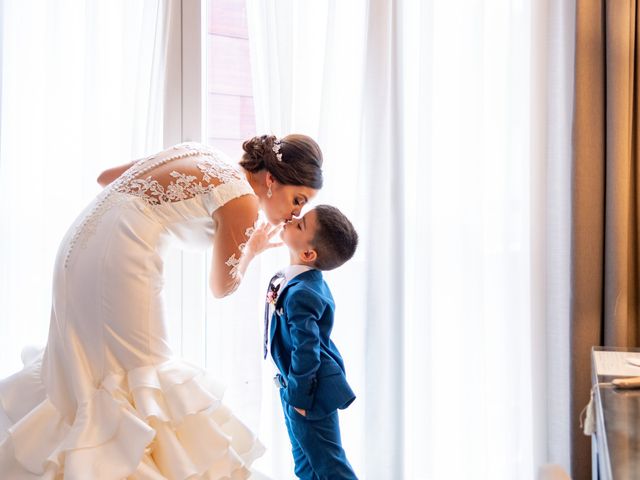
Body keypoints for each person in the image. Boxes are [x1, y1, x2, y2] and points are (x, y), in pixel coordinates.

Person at [0, 134, 323, 479]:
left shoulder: (202, 152)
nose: (294, 214)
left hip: (78, 247)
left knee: (91, 371)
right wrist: (252, 250)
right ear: (272, 180)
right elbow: (222, 287)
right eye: (297, 200)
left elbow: (107, 179)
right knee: (142, 372)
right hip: (118, 261)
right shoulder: (243, 200)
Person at [264, 205, 359, 480]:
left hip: (309, 392)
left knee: (331, 466)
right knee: (305, 465)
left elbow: (307, 351)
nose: (292, 218)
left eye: (301, 224)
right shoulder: (301, 279)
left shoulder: (303, 293)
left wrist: (299, 397)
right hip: (291, 385)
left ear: (308, 253)